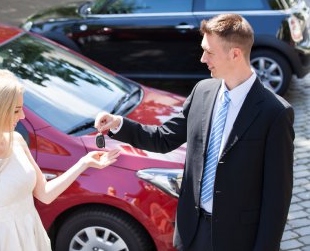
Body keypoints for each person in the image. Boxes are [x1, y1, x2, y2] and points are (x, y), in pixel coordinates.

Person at [95, 14, 294, 251]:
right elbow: (164, 138)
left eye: (209, 52)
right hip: (192, 232)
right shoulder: (202, 91)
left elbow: (276, 198)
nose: (202, 58)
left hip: (239, 239)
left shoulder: (275, 113)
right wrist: (118, 124)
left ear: (235, 54)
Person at [0, 69, 120, 251]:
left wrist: (84, 163)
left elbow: (45, 194)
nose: (22, 116)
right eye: (16, 110)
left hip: (32, 238)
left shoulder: (16, 141)